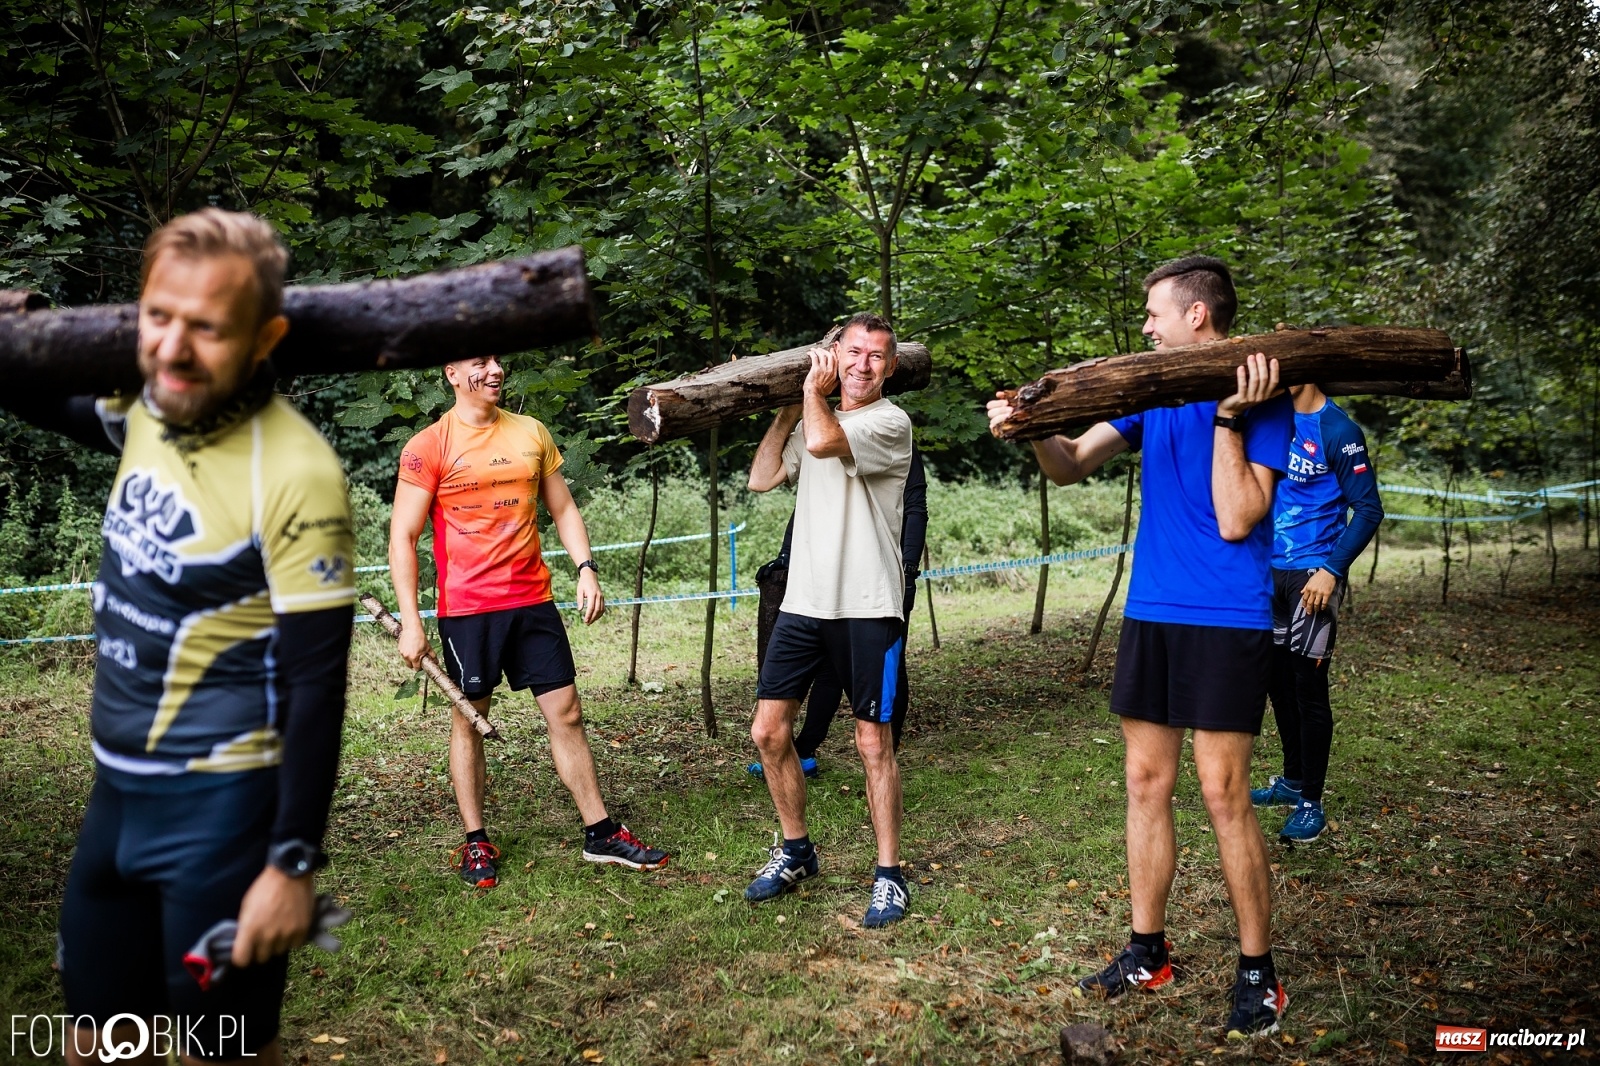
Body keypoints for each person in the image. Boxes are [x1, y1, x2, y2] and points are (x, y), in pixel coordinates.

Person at [3, 209, 355, 1065]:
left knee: (217, 1052)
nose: (173, 349)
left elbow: (317, 686)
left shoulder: (296, 471)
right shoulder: (147, 407)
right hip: (116, 799)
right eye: (157, 317)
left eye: (208, 328)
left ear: (265, 337)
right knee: (94, 1044)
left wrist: (291, 865)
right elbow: (35, 392)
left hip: (222, 817)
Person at [986, 256, 1294, 1038]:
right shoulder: (1151, 392)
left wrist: (1227, 418)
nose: (1146, 326)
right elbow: (1070, 465)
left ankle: (1258, 973)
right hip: (1152, 609)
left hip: (1226, 613)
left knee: (1223, 792)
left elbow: (1237, 518)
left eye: (1155, 312)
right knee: (1145, 780)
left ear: (1197, 314)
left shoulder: (1265, 395)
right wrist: (1032, 427)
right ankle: (1147, 951)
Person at [389, 354, 668, 889]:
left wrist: (586, 568)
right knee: (470, 718)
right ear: (451, 372)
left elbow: (562, 509)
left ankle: (600, 833)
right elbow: (403, 536)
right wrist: (410, 621)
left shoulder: (531, 432)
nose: (495, 370)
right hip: (468, 610)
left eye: (498, 360)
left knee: (567, 712)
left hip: (533, 600)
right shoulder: (429, 446)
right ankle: (476, 840)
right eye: (480, 362)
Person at [745, 312, 915, 927]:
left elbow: (823, 443)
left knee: (872, 743)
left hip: (868, 605)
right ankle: (796, 851)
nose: (863, 364)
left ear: (890, 368)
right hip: (804, 604)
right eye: (853, 351)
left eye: (876, 355)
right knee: (769, 732)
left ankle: (889, 875)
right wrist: (787, 408)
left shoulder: (890, 422)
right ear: (834, 355)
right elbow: (762, 478)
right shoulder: (813, 415)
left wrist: (810, 397)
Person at [1250, 382, 1383, 841]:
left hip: (1313, 577)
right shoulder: (1268, 418)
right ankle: (1291, 781)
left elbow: (1368, 509)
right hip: (1268, 573)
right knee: (1278, 683)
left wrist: (1331, 570)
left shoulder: (1339, 430)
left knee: (1308, 688)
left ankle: (1312, 802)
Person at [748, 446, 928, 777]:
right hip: (831, 580)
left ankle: (885, 754)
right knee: (828, 669)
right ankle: (804, 751)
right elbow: (808, 505)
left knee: (891, 669)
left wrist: (907, 569)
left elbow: (915, 505)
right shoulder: (821, 441)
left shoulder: (893, 433)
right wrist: (786, 556)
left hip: (882, 583)